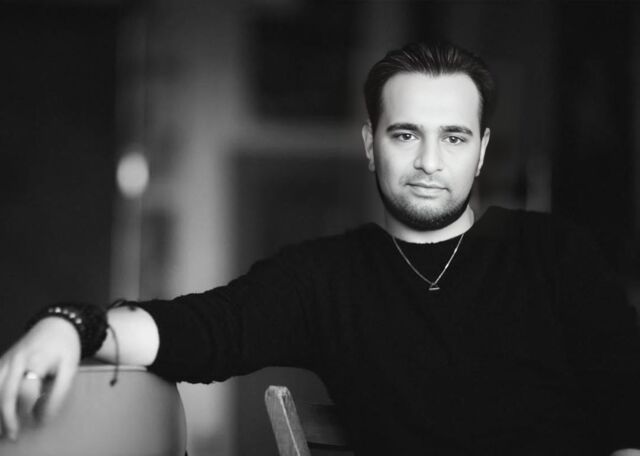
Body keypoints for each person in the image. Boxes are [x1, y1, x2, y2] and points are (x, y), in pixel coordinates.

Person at [1, 41, 639, 456]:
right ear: (370, 145)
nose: (428, 161)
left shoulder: (553, 254)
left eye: (453, 137)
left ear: (482, 149)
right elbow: (199, 330)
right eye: (405, 134)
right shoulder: (324, 279)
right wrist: (70, 324)